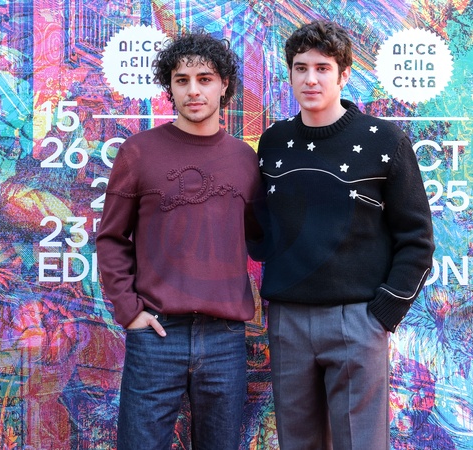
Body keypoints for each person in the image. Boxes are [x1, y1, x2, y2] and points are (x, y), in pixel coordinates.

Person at [253, 20, 435, 449]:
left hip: (357, 319)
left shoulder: (384, 140)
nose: (310, 79)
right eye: (301, 68)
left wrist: (382, 314)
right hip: (287, 321)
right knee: (297, 443)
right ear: (290, 73)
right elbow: (259, 226)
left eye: (322, 68)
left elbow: (417, 238)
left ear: (344, 75)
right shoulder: (273, 141)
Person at [96, 31, 261, 450]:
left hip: (225, 337)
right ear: (169, 86)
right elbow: (111, 238)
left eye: (205, 79)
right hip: (157, 333)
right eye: (181, 80)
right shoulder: (138, 152)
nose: (193, 90)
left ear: (224, 84)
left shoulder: (245, 159)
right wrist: (129, 311)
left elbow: (261, 238)